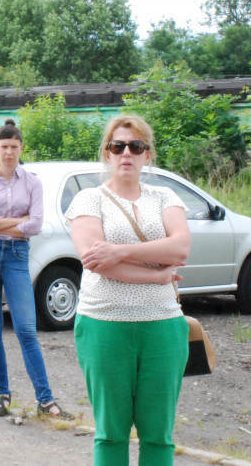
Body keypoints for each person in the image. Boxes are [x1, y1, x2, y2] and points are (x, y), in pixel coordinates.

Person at [64, 115, 190, 466]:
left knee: (158, 435)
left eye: (136, 146)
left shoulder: (165, 197)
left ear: (147, 154)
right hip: (104, 324)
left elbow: (180, 247)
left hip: (162, 325)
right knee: (111, 432)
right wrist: (156, 276)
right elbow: (95, 261)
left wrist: (118, 251)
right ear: (107, 153)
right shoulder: (89, 199)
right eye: (118, 146)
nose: (126, 154)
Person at [0, 119, 72, 419]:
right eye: (4, 146)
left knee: (26, 329)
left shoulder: (32, 182)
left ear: (21, 148)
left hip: (17, 255)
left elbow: (36, 225)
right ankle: (2, 395)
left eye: (14, 147)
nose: (9, 152)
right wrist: (19, 221)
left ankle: (46, 400)